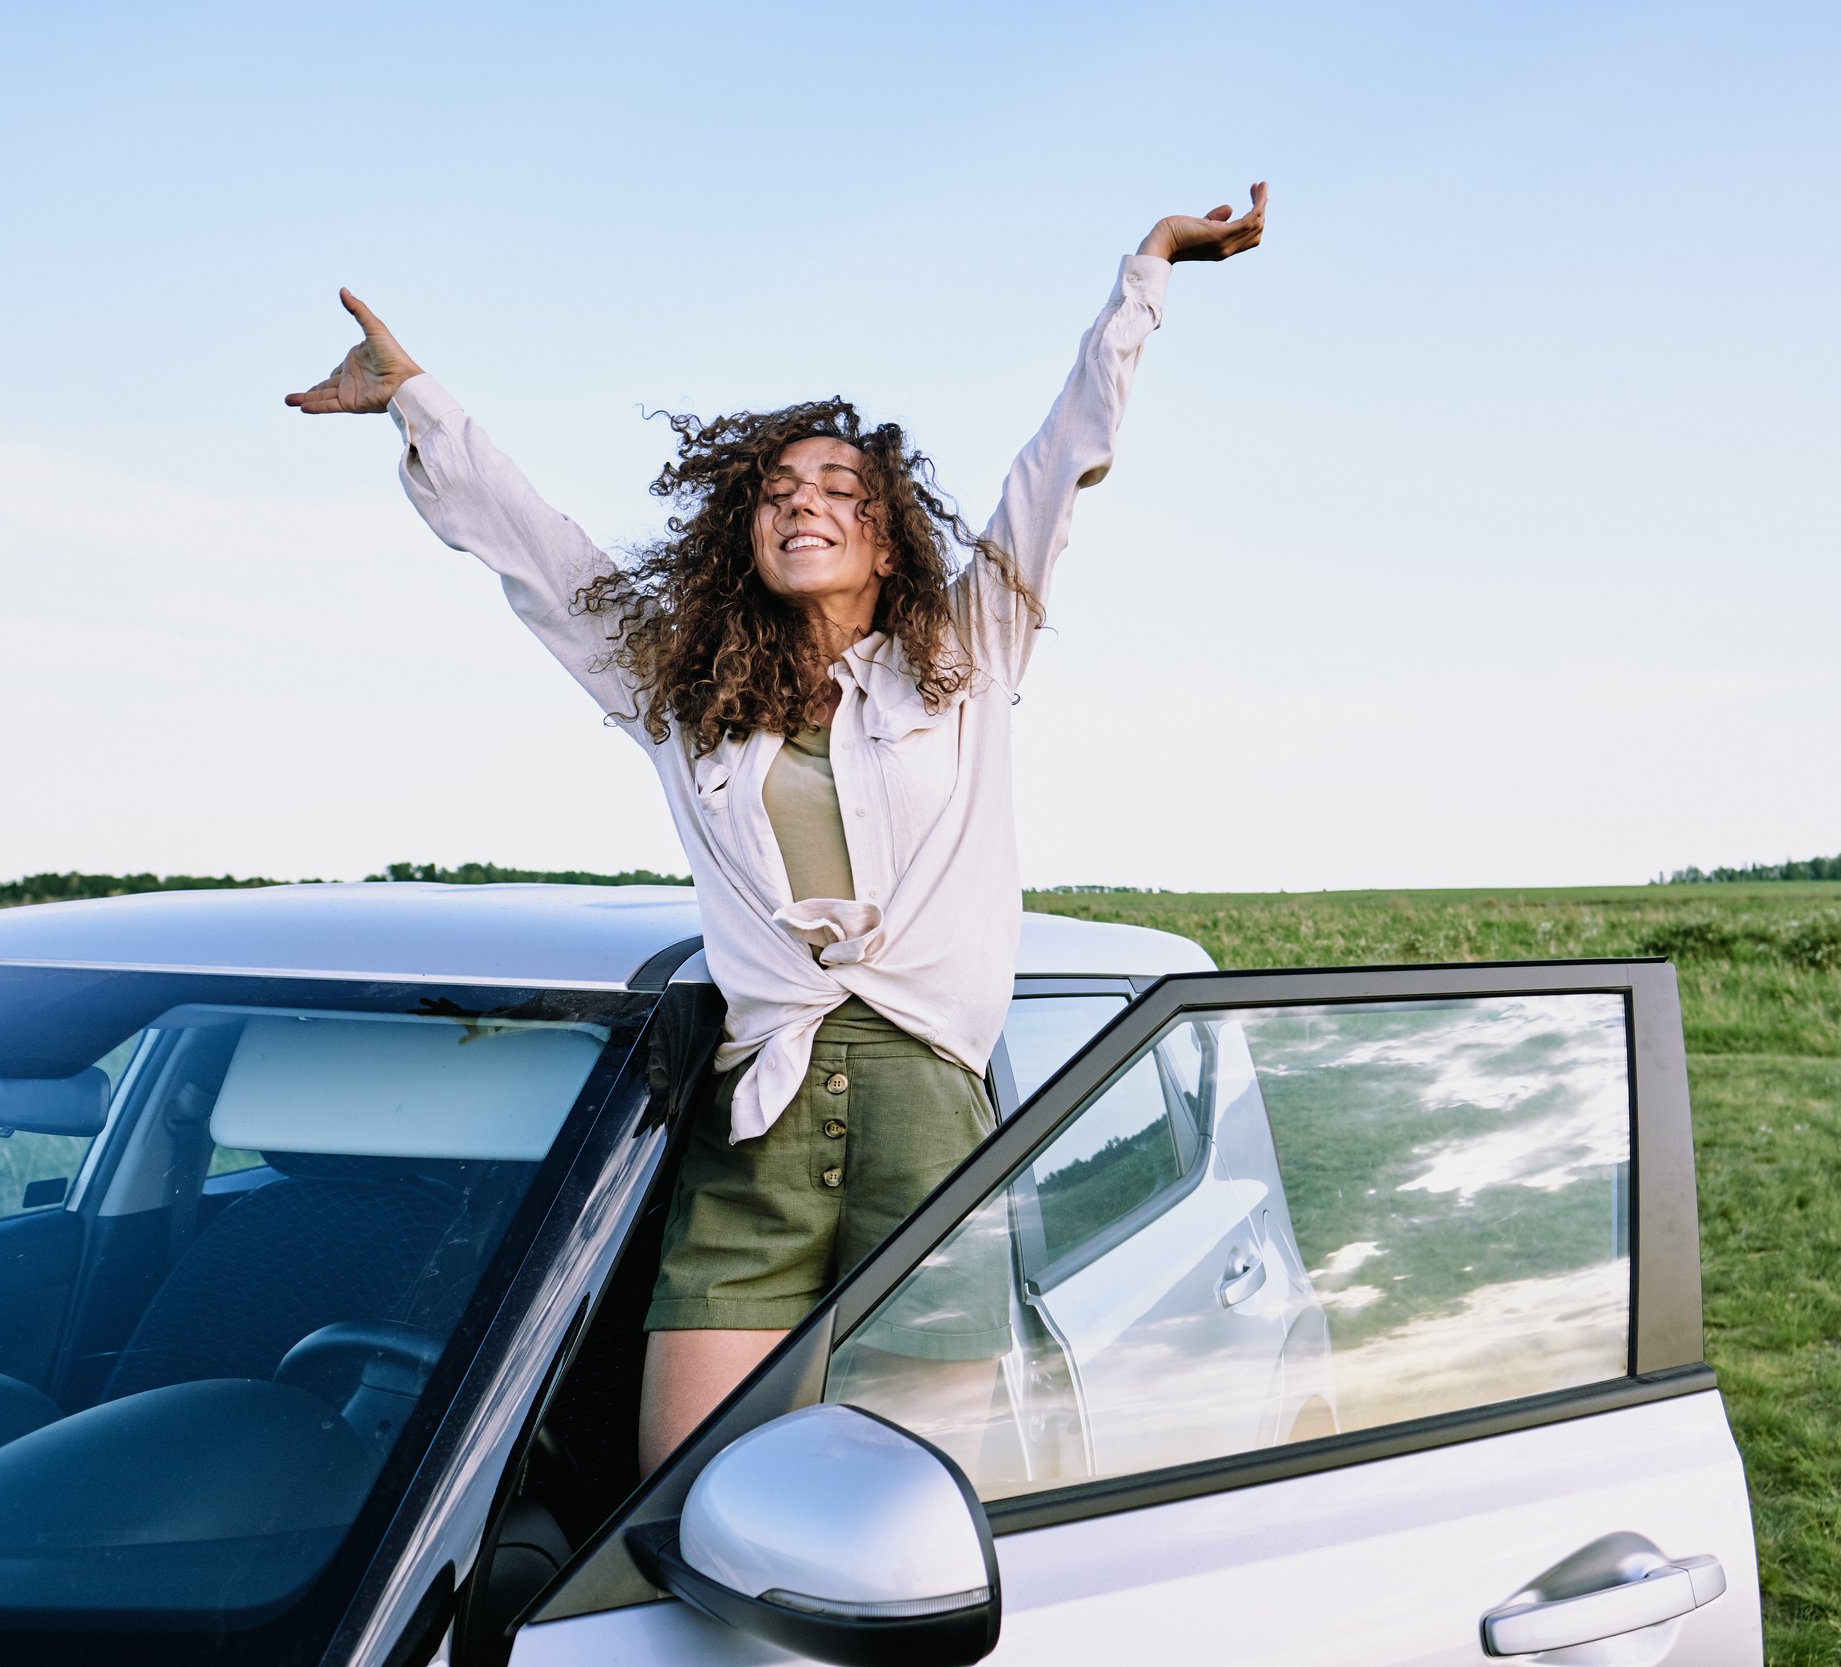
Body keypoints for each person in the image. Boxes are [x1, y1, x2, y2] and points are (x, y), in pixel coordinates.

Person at [288, 186, 1268, 1473]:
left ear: (887, 532)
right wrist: (414, 394)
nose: (801, 504)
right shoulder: (682, 690)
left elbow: (1057, 461)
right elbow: (545, 556)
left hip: (927, 1111)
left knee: (897, 1504)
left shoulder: (967, 648)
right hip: (757, 1114)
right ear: (742, 531)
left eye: (838, 489)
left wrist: (1148, 271)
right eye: (774, 490)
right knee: (676, 1499)